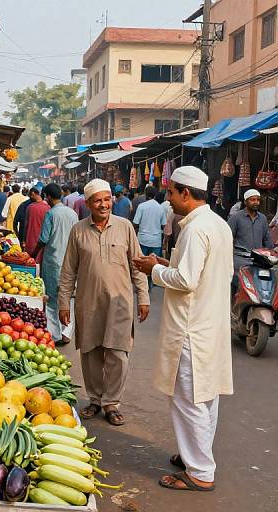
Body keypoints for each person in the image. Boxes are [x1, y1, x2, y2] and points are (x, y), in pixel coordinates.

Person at [133, 166, 233, 492]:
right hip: (210, 323)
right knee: (205, 397)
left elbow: (187, 280)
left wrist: (154, 272)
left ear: (186, 194)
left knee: (188, 399)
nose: (169, 199)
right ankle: (194, 455)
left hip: (192, 328)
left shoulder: (194, 230)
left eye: (172, 193)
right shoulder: (217, 225)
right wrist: (162, 265)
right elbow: (200, 273)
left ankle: (200, 471)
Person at [59, 179, 150, 426]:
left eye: (107, 199)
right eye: (98, 200)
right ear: (87, 203)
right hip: (88, 302)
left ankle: (112, 402)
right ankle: (95, 399)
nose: (103, 205)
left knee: (118, 353)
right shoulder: (78, 230)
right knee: (90, 352)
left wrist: (143, 297)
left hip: (120, 302)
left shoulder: (125, 227)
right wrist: (64, 303)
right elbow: (68, 270)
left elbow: (138, 265)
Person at [31, 183, 78, 345]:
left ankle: (55, 334)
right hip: (71, 261)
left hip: (53, 262)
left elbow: (43, 240)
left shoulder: (51, 214)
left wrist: (32, 255)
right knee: (68, 297)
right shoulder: (72, 213)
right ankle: (67, 332)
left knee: (51, 300)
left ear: (49, 197)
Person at [228, 188, 273, 274]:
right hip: (240, 260)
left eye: (258, 200)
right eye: (253, 200)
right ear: (245, 202)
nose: (256, 202)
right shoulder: (236, 217)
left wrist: (270, 255)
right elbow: (227, 237)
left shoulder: (262, 218)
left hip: (259, 260)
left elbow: (267, 239)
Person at [133, 186, 167, 257]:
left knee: (141, 264)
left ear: (146, 194)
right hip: (156, 241)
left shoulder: (141, 206)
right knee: (154, 265)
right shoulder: (160, 207)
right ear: (155, 195)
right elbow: (164, 224)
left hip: (142, 239)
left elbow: (135, 223)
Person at [25, 188, 50, 263]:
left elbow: (26, 225)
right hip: (43, 243)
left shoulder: (30, 207)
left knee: (30, 264)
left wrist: (24, 240)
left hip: (31, 241)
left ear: (33, 194)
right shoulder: (48, 208)